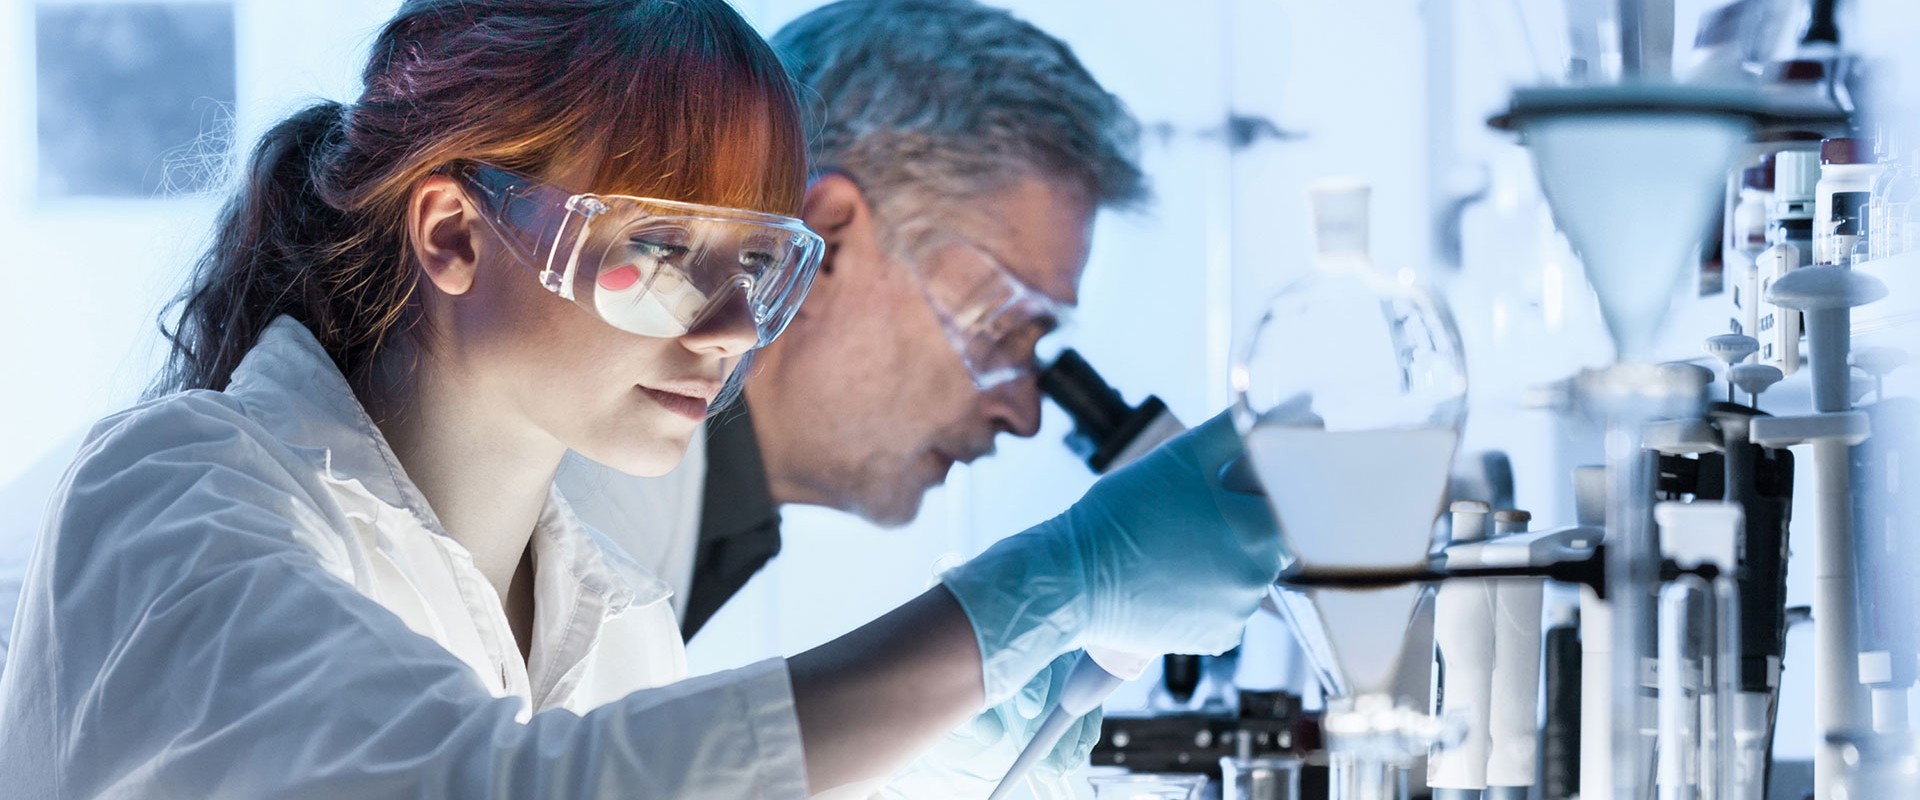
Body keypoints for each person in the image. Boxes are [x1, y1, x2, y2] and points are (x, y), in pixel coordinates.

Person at [0, 1, 1283, 797]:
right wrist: (1022, 598)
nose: (730, 334)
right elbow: (498, 787)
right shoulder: (170, 491)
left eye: (761, 269)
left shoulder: (604, 611)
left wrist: (924, 762)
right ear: (452, 232)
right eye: (663, 252)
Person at [555, 1, 1156, 789]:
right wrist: (1002, 624)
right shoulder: (592, 475)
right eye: (1002, 327)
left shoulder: (693, 503)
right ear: (825, 241)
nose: (1024, 410)